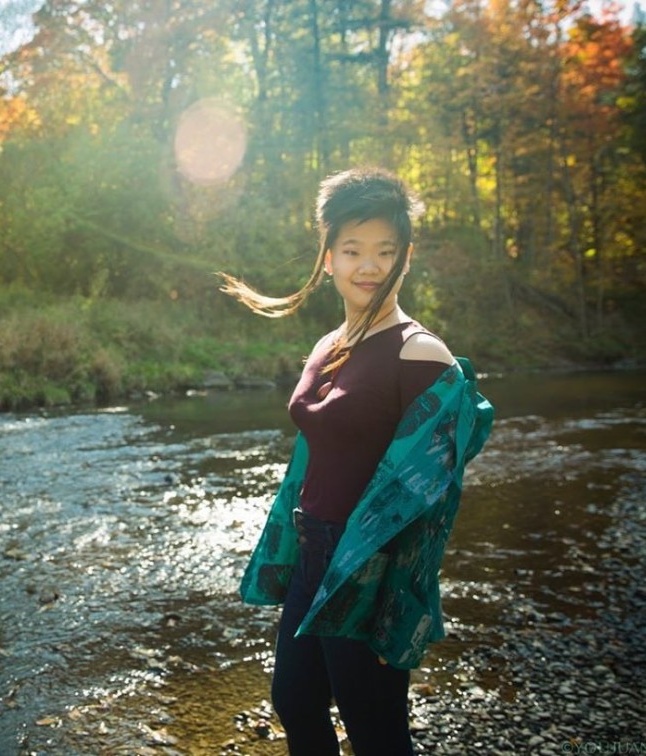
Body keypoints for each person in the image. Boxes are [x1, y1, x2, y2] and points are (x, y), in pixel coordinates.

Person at [219, 166, 494, 755]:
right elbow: (315, 453)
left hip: (369, 563)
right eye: (352, 251)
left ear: (406, 257)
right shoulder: (328, 345)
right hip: (312, 551)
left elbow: (431, 495)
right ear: (328, 258)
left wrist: (395, 597)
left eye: (384, 251)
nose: (368, 266)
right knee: (294, 701)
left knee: (376, 728)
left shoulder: (421, 354)